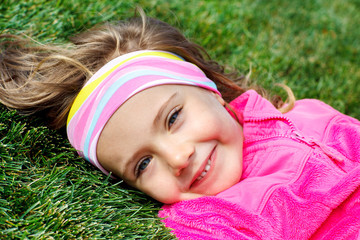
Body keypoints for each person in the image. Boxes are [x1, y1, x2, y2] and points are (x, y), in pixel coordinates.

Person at [1, 12, 359, 239]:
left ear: (212, 92)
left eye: (173, 118)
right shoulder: (208, 221)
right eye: (143, 164)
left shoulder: (310, 114)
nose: (178, 157)